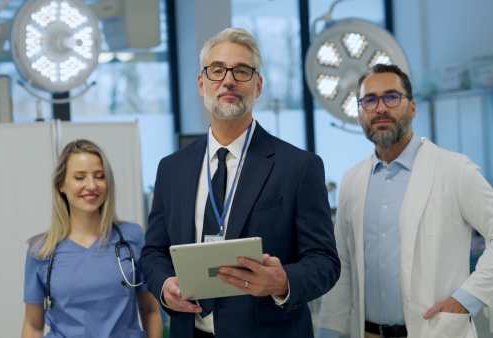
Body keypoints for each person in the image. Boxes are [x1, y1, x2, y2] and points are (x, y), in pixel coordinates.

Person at [139, 28, 341, 338]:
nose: (229, 80)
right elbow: (154, 252)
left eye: (242, 71)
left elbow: (325, 261)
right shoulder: (171, 168)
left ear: (258, 86)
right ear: (201, 83)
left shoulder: (299, 167)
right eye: (217, 70)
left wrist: (282, 280)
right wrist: (166, 286)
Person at [317, 64, 493, 338]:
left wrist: (467, 298)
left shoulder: (454, 169)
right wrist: (329, 330)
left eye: (392, 97)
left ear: (412, 108)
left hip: (435, 330)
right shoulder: (352, 180)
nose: (380, 108)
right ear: (359, 114)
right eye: (370, 100)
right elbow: (342, 264)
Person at [21, 139, 162, 338]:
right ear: (62, 185)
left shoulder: (132, 237)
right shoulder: (41, 250)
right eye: (79, 177)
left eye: (99, 176)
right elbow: (33, 326)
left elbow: (150, 311)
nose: (91, 185)